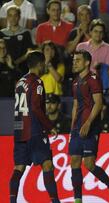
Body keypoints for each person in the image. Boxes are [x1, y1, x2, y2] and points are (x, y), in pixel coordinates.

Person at [69, 50, 109, 203]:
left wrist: (88, 123)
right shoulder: (76, 81)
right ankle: (78, 199)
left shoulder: (93, 79)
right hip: (77, 127)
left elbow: (98, 103)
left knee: (89, 164)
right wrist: (73, 127)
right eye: (74, 60)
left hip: (90, 126)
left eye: (78, 60)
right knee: (75, 162)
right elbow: (76, 104)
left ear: (86, 63)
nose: (74, 62)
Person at [10, 51, 60, 203]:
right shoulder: (37, 82)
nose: (44, 65)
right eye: (43, 63)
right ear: (39, 64)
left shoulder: (20, 81)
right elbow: (36, 107)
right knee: (47, 165)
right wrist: (49, 126)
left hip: (19, 130)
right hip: (35, 130)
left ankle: (12, 201)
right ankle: (55, 201)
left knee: (19, 168)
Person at [0, 5, 34, 73]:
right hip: (5, 68)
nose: (13, 18)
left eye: (15, 15)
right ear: (7, 17)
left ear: (19, 17)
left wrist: (16, 62)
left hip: (23, 68)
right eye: (10, 15)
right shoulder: (1, 33)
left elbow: (29, 52)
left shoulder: (26, 32)